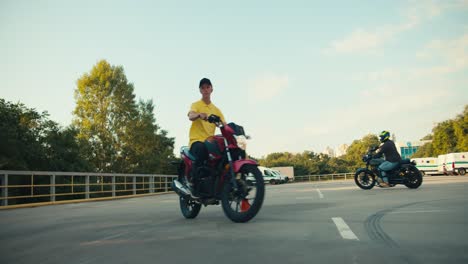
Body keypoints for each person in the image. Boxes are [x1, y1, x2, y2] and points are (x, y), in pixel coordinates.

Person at [187, 78, 226, 195]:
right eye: (203, 87)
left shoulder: (216, 110)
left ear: (212, 89)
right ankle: (194, 182)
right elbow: (190, 115)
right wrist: (199, 115)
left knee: (224, 153)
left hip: (210, 142)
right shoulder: (196, 105)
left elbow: (225, 125)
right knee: (202, 148)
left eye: (208, 87)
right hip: (196, 141)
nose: (205, 89)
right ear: (200, 90)